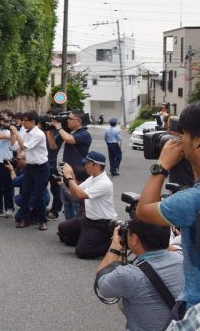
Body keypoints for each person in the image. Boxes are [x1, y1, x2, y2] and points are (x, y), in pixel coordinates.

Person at [136, 101, 200, 311]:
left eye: (185, 135)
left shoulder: (192, 200)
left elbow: (144, 211)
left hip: (194, 307)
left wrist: (161, 166)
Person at [95, 220, 184, 331]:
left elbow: (102, 285)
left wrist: (115, 247)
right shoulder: (184, 261)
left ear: (134, 239)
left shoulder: (127, 275)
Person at [57, 151, 117, 258]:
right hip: (88, 219)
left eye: (87, 164)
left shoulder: (105, 183)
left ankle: (114, 245)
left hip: (101, 223)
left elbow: (80, 195)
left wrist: (70, 177)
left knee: (82, 252)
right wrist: (69, 177)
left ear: (97, 166)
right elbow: (74, 192)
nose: (84, 166)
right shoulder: (92, 178)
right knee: (63, 228)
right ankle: (86, 239)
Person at [47, 110, 92, 219]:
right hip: (63, 172)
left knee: (76, 204)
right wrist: (49, 130)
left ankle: (77, 229)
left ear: (79, 121)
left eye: (70, 119)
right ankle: (68, 229)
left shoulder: (84, 134)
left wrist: (59, 127)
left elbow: (69, 139)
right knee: (66, 203)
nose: (67, 121)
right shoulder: (66, 132)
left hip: (76, 175)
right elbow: (53, 146)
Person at [9, 110, 50, 230]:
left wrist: (16, 132)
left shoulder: (39, 134)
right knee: (25, 195)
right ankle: (24, 219)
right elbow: (15, 146)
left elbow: (25, 147)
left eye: (24, 121)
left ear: (33, 121)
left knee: (39, 196)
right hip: (29, 167)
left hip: (41, 168)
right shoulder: (26, 132)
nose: (22, 123)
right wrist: (12, 133)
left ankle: (42, 220)